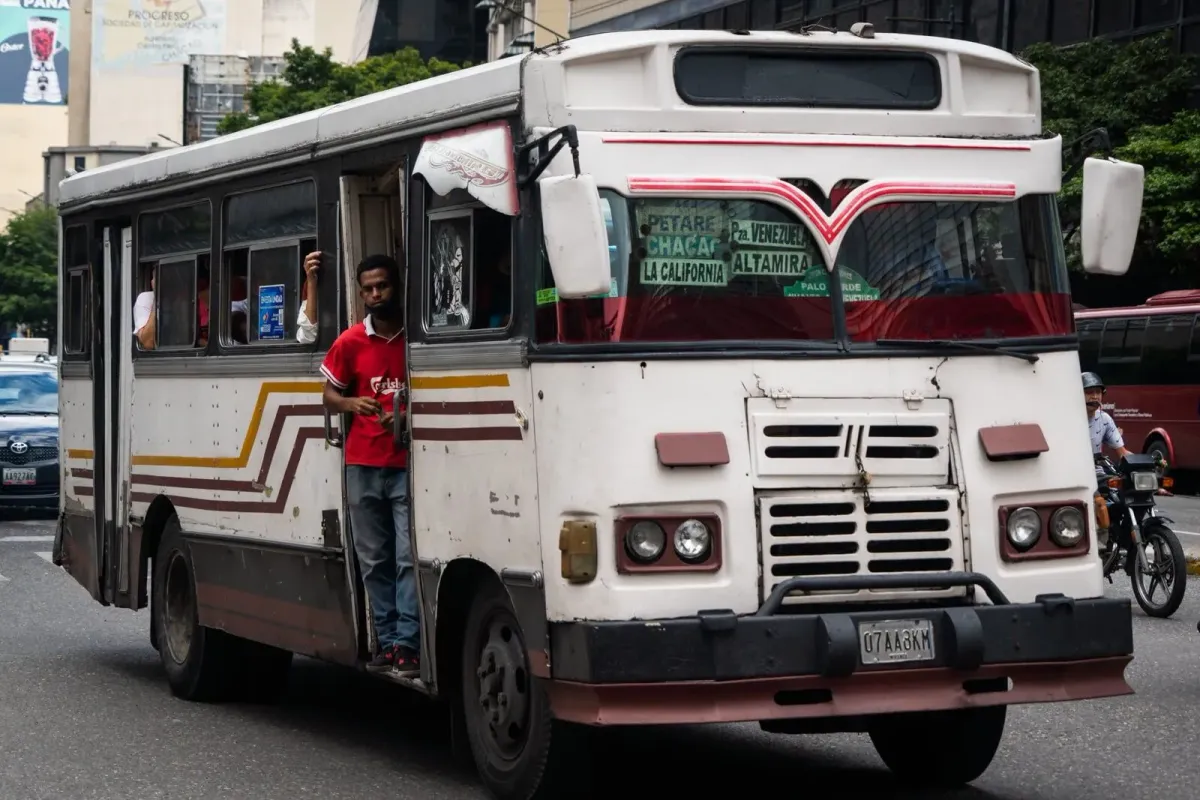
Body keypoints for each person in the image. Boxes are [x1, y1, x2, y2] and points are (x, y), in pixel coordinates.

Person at [319, 253, 418, 676]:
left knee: (409, 557)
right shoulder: (349, 342)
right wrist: (350, 402)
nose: (376, 295)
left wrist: (407, 414)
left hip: (406, 463)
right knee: (375, 559)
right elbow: (328, 395)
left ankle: (409, 645)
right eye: (368, 290)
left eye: (383, 286)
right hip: (362, 464)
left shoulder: (417, 339)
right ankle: (389, 641)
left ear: (396, 286)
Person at [1083, 371, 1131, 460]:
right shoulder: (1068, 419)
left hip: (1097, 470)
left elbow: (1123, 453)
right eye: (1089, 392)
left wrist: (1146, 462)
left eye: (1098, 392)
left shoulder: (1105, 419)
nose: (1095, 396)